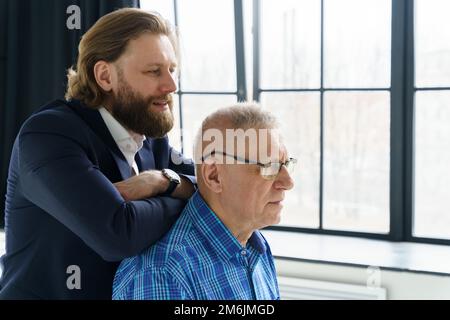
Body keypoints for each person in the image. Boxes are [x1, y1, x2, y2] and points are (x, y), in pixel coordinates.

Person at [0, 8, 195, 299]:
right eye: (154, 71)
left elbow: (213, 180)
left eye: (172, 70)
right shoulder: (48, 135)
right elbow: (118, 234)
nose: (171, 86)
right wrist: (180, 192)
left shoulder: (151, 139)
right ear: (105, 76)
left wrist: (163, 182)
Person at [113, 104, 295, 300]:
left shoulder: (255, 245)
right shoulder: (162, 274)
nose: (288, 182)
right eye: (269, 166)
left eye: (286, 164)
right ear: (214, 175)